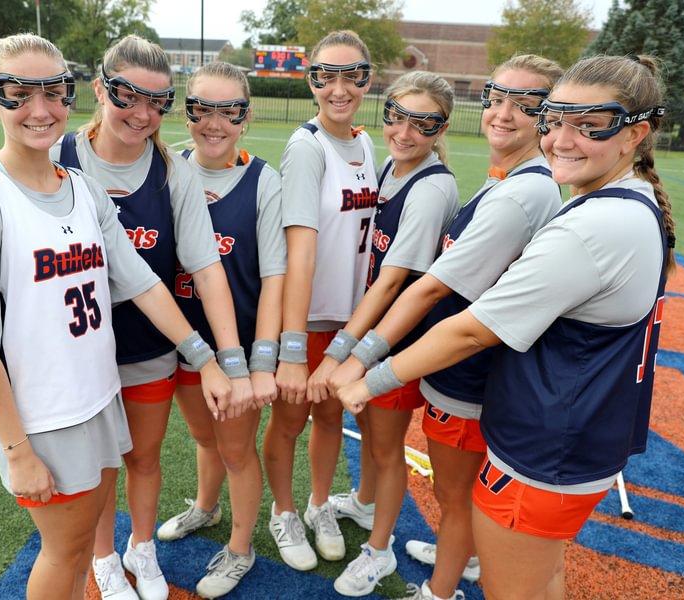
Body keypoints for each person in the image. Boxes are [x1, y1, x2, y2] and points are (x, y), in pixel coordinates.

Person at [339, 53, 673, 600]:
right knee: (540, 579)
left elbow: (473, 329)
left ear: (634, 134)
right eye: (557, 120)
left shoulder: (592, 221)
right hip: (570, 436)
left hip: (546, 444)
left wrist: (365, 378)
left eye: (588, 127)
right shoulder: (622, 203)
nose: (562, 139)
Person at [0, 33, 232, 600]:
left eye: (54, 92)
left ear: (72, 96)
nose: (41, 110)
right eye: (18, 94)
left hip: (98, 398)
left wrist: (203, 357)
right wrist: (18, 450)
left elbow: (141, 281)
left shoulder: (82, 187)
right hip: (47, 417)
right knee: (64, 552)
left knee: (76, 557)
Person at [328, 54, 564, 600]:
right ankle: (466, 553)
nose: (504, 114)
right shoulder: (507, 179)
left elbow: (430, 287)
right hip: (455, 365)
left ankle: (439, 590)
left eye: (524, 104)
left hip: (466, 372)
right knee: (457, 494)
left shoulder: (524, 190)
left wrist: (359, 360)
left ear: (548, 116)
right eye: (497, 98)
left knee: (457, 497)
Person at [52, 35, 255, 600]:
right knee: (96, 466)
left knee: (142, 457)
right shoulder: (58, 159)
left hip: (150, 346)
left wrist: (228, 359)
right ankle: (104, 558)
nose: (142, 113)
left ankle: (141, 548)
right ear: (100, 89)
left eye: (158, 101)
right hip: (77, 349)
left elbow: (207, 269)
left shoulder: (174, 172)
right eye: (127, 95)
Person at [297, 71, 459, 596]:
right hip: (375, 328)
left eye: (423, 122)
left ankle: (380, 551)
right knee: (370, 437)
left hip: (397, 337)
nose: (405, 131)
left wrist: (342, 351)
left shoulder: (431, 187)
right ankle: (365, 506)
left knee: (388, 449)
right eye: (397, 116)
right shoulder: (388, 164)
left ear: (442, 128)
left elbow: (392, 281)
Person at [153, 61, 285, 598]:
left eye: (228, 110)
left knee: (236, 450)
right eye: (200, 108)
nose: (213, 122)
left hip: (239, 348)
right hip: (183, 343)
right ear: (185, 112)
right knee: (203, 437)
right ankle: (206, 509)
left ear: (246, 117)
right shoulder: (165, 166)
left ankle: (240, 547)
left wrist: (261, 361)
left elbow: (275, 276)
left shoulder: (263, 179)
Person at [262, 29, 378, 571]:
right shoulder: (307, 147)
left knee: (330, 418)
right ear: (311, 82)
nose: (338, 87)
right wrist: (290, 345)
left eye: (350, 75)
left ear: (367, 80)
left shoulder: (366, 141)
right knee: (289, 421)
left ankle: (318, 506)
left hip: (348, 319)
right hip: (308, 318)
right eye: (325, 76)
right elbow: (299, 252)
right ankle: (282, 512)